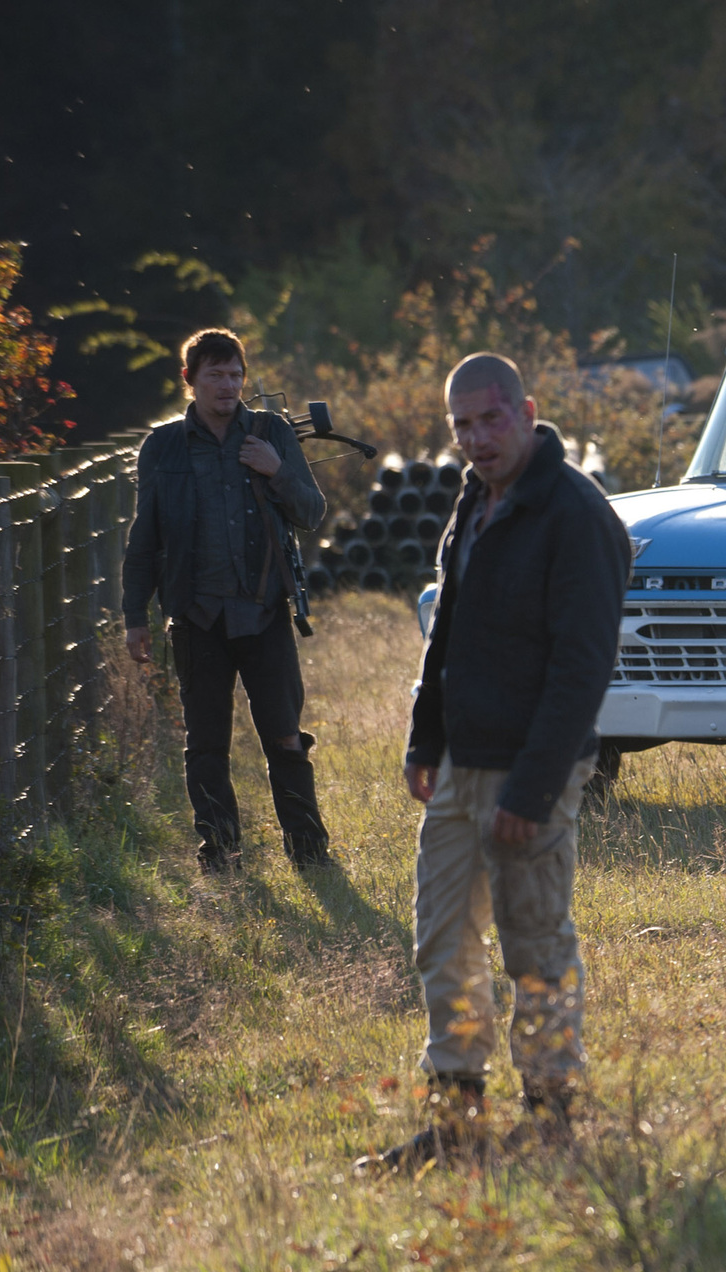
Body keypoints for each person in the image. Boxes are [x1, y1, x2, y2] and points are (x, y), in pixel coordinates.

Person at [359, 352, 630, 1175]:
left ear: (527, 410)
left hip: (532, 773)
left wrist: (533, 787)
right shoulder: (475, 499)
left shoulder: (576, 515)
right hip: (461, 765)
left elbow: (581, 669)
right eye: (461, 426)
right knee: (442, 939)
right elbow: (447, 630)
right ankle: (456, 1121)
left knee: (534, 946)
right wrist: (422, 736)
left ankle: (552, 1118)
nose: (476, 439)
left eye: (490, 419)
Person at [122, 328, 331, 872]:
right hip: (195, 616)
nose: (227, 385)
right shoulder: (163, 445)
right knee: (207, 740)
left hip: (263, 612)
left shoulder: (270, 433)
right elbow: (145, 537)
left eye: (236, 374)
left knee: (285, 733)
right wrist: (133, 617)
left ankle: (309, 853)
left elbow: (312, 512)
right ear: (190, 380)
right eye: (214, 374)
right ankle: (221, 853)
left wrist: (276, 469)